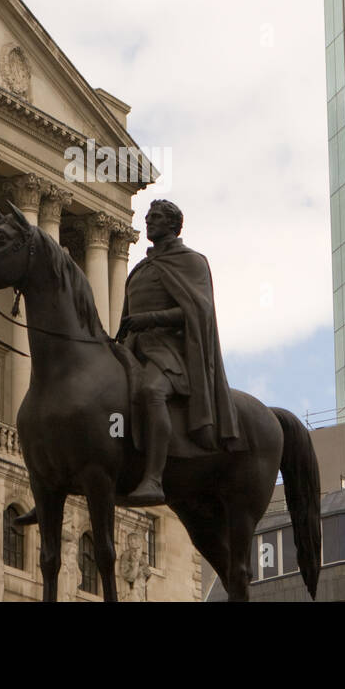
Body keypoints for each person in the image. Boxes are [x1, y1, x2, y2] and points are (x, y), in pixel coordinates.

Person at [117, 200, 241, 506]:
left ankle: (154, 478)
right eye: (147, 218)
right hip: (135, 348)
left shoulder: (191, 261)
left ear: (173, 224)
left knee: (151, 392)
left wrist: (149, 320)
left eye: (156, 217)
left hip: (171, 352)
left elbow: (198, 312)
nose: (148, 222)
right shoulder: (141, 268)